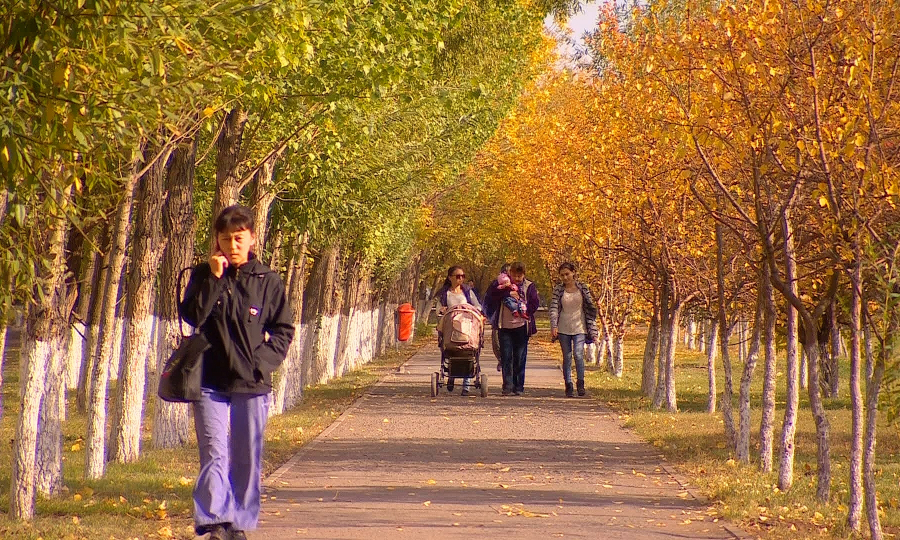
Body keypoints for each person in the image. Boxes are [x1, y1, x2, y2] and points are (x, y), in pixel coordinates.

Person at [179, 205, 294, 540]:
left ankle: (239, 523)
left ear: (252, 239)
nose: (232, 244)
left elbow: (284, 330)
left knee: (246, 457)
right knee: (214, 451)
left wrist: (260, 363)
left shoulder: (268, 281)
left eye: (239, 238)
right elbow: (193, 316)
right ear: (217, 240)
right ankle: (215, 521)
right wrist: (214, 278)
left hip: (251, 383)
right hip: (209, 380)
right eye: (226, 238)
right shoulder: (204, 274)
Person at [484, 261, 540, 395]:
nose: (517, 278)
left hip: (522, 326)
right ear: (510, 273)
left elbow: (535, 303)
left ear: (524, 275)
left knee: (520, 357)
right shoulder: (502, 284)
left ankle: (518, 386)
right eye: (514, 275)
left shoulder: (529, 286)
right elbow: (492, 297)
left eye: (519, 276)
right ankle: (507, 385)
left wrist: (526, 311)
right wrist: (507, 293)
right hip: (505, 326)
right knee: (506, 356)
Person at [549, 262, 599, 397]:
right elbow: (554, 308)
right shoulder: (559, 290)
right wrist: (554, 326)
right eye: (562, 275)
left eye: (567, 274)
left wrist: (593, 329)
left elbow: (590, 308)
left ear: (573, 273)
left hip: (580, 327)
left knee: (578, 354)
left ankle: (580, 384)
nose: (565, 277)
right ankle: (568, 384)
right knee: (567, 356)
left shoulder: (582, 288)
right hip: (563, 327)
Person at [437, 265, 482, 396]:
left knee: (468, 352)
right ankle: (451, 375)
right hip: (451, 326)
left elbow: (477, 305)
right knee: (452, 351)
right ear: (450, 277)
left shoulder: (467, 291)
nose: (460, 279)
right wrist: (442, 310)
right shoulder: (445, 293)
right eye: (457, 276)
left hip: (467, 326)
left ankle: (466, 384)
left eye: (463, 276)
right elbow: (439, 308)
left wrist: (476, 312)